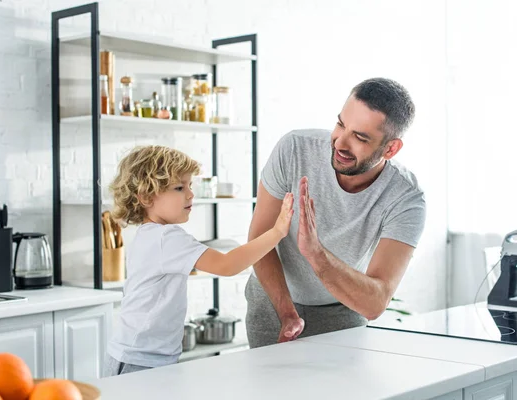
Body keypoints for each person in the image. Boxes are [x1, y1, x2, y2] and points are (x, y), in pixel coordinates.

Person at [245, 77, 426, 348]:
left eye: (360, 137)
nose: (340, 143)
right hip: (272, 300)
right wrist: (286, 313)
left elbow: (376, 302)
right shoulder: (295, 148)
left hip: (342, 311)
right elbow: (259, 239)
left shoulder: (405, 197)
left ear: (390, 148)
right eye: (341, 124)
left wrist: (316, 254)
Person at [103, 145, 294, 376]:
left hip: (135, 355)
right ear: (146, 197)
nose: (190, 194)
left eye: (190, 185)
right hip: (139, 361)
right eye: (179, 187)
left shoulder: (148, 234)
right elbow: (227, 265)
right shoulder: (166, 237)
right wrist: (277, 232)